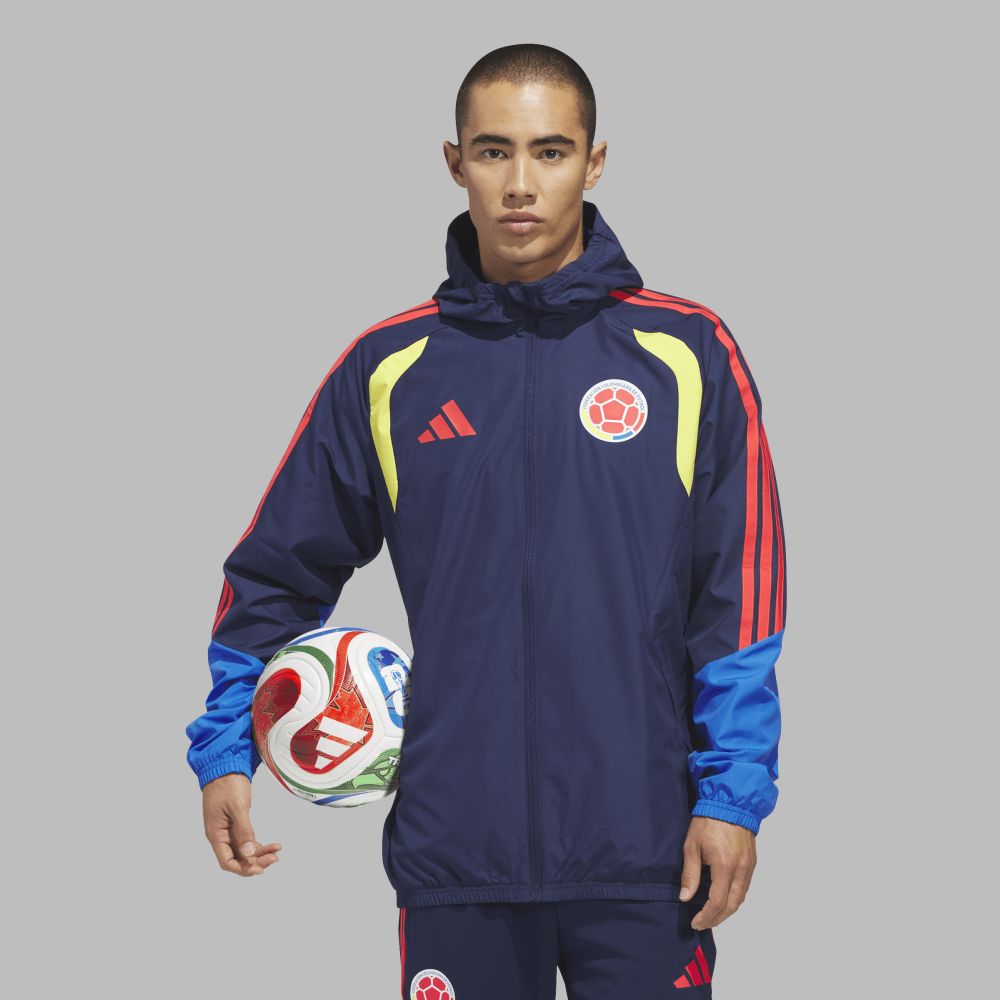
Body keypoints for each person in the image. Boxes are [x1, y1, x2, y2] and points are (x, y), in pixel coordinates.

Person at [185, 43, 788, 999]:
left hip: (647, 850)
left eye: (550, 152)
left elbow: (740, 596)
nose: (519, 184)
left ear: (594, 163)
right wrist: (227, 745)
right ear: (454, 161)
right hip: (456, 852)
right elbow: (275, 572)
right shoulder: (390, 371)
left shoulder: (686, 353)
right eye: (493, 150)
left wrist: (733, 794)